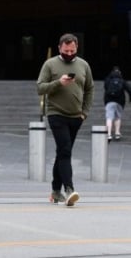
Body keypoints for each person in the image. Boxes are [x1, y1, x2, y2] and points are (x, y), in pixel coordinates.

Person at [37, 33, 94, 207]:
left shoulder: (83, 65)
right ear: (60, 48)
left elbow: (90, 89)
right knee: (65, 150)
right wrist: (59, 83)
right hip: (56, 114)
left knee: (62, 152)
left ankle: (55, 191)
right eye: (66, 50)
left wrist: (84, 112)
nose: (69, 52)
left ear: (77, 47)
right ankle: (69, 189)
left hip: (76, 116)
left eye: (72, 50)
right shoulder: (50, 64)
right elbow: (40, 88)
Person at [103, 66, 131, 141]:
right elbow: (130, 90)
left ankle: (109, 134)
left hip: (109, 101)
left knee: (109, 118)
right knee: (117, 117)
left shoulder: (107, 80)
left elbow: (106, 88)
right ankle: (117, 133)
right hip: (119, 101)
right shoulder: (122, 81)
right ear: (119, 73)